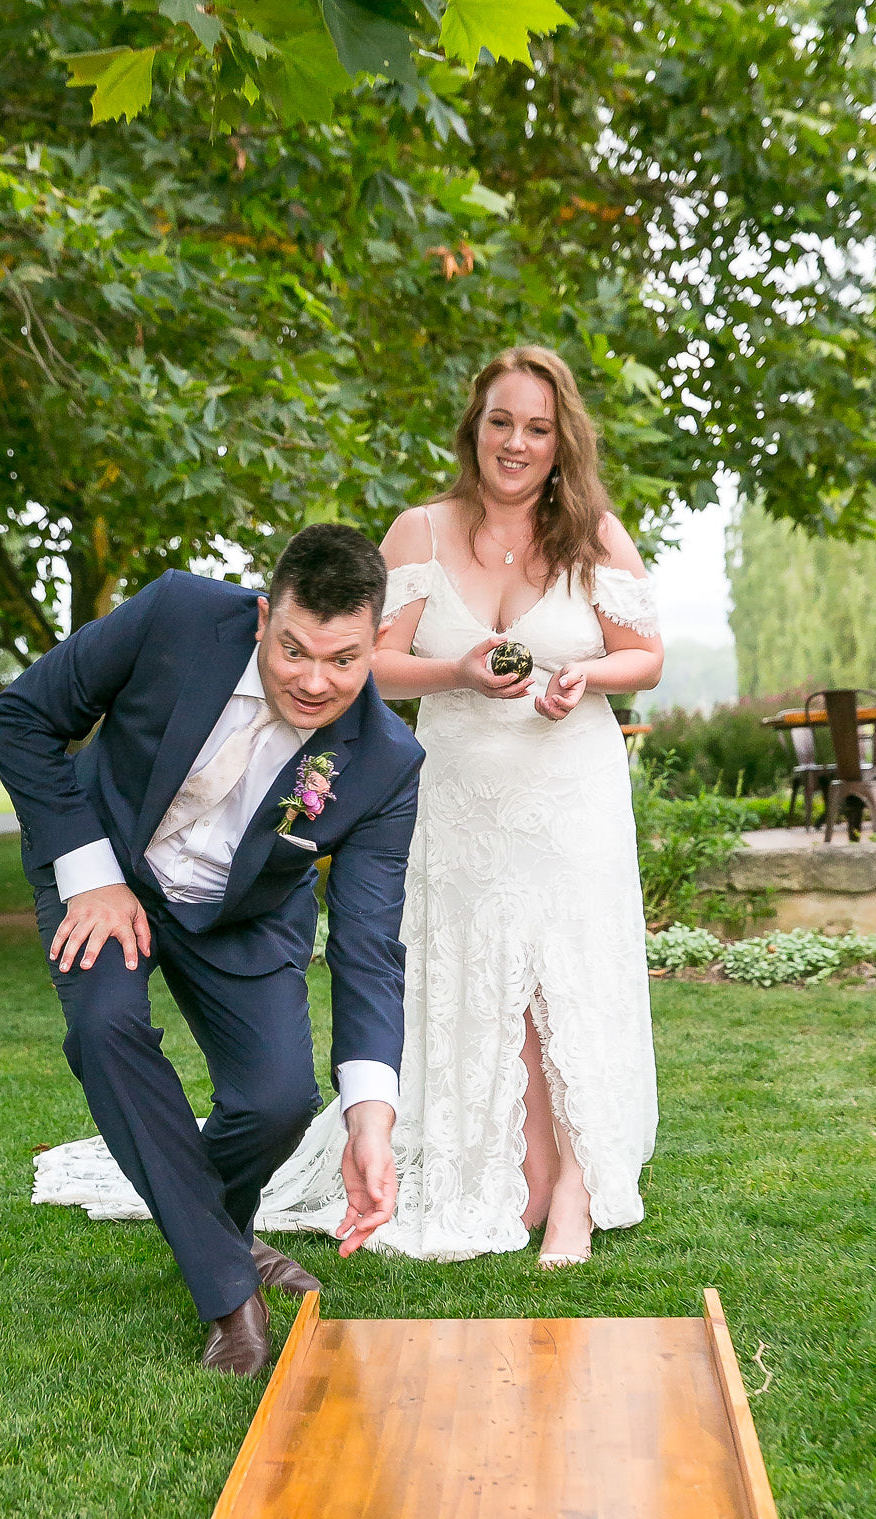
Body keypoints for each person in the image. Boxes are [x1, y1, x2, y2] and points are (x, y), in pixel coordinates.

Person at [257, 346, 663, 1265]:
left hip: (570, 793)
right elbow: (375, 662)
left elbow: (645, 654)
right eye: (499, 422)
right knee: (484, 981)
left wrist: (582, 676)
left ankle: (576, 1194)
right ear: (472, 429)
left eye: (536, 428)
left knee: (564, 981)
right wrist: (457, 670)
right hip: (457, 793)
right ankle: (497, 1164)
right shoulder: (419, 532)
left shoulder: (595, 534)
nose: (515, 443)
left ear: (562, 443)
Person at [0, 525, 424, 1376]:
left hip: (244, 913)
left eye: (343, 661)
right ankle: (229, 1292)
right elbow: (22, 716)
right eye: (294, 649)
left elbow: (369, 948)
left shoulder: (387, 763)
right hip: (103, 862)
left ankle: (212, 1229)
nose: (313, 680)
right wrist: (88, 875)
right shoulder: (179, 614)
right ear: (264, 616)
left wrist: (371, 1114)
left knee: (277, 1101)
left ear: (376, 645)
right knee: (106, 1031)